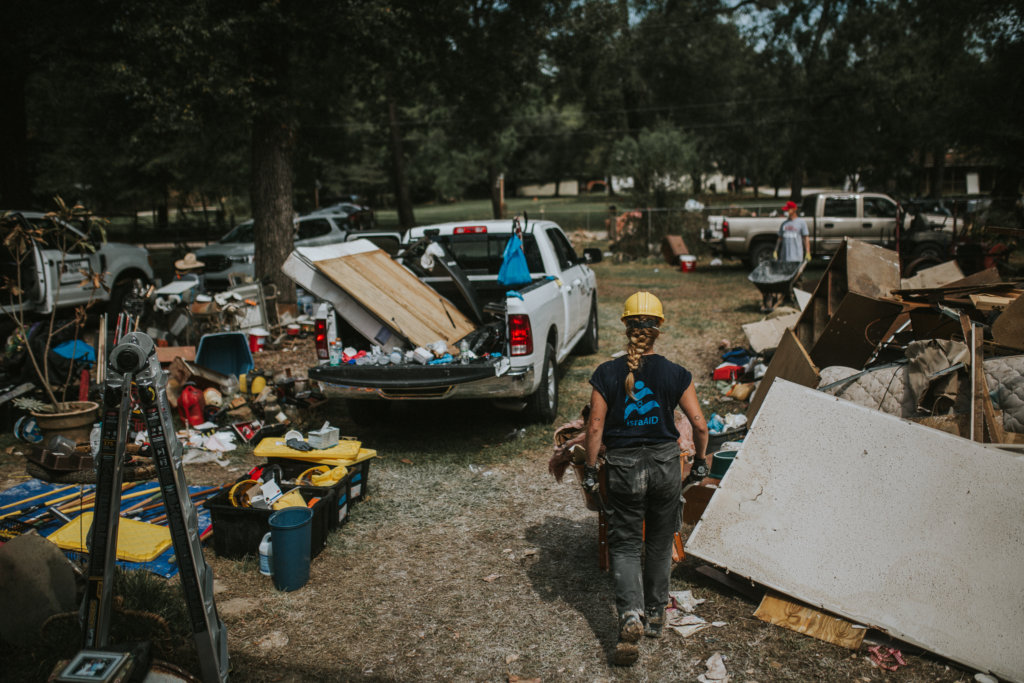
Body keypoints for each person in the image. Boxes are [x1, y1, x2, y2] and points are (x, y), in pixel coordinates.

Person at [582, 291, 710, 666]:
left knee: (623, 544)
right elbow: (699, 425)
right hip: (666, 466)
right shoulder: (675, 373)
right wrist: (700, 461)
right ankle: (656, 616)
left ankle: (629, 615)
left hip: (622, 468)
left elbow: (594, 426)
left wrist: (591, 470)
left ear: (626, 326)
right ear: (658, 329)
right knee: (657, 540)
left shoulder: (606, 373)